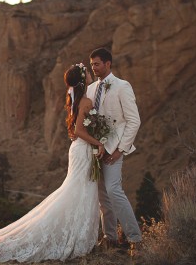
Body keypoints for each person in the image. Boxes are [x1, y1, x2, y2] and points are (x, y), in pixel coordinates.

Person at [0, 63, 105, 262]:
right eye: (86, 74)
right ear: (82, 79)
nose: (89, 76)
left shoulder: (75, 100)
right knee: (80, 190)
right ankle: (74, 236)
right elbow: (79, 131)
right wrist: (99, 142)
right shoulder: (85, 101)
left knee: (77, 189)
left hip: (77, 149)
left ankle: (77, 233)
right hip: (83, 148)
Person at [87, 47, 142, 248]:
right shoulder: (91, 89)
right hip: (95, 150)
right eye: (92, 64)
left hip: (114, 149)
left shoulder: (122, 86)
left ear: (108, 63)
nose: (94, 68)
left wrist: (120, 149)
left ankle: (135, 239)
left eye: (97, 64)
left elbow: (134, 121)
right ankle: (110, 239)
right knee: (103, 198)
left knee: (113, 190)